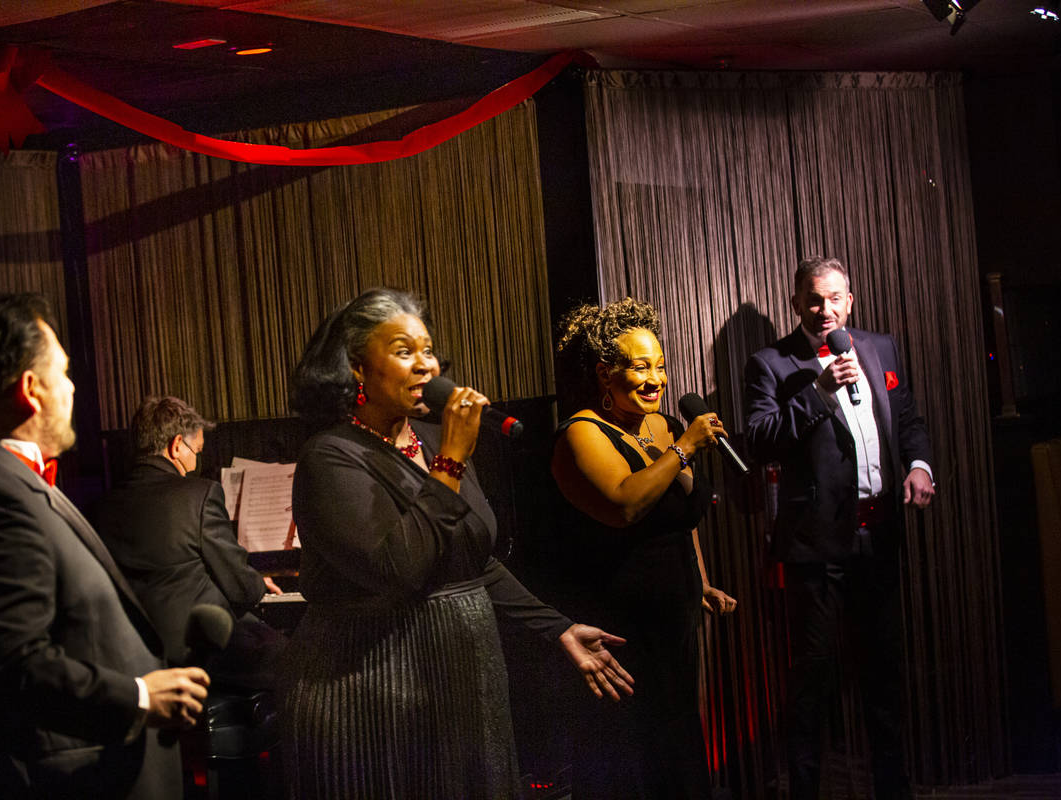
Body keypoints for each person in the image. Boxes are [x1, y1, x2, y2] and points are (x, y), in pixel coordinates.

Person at [280, 287, 633, 799]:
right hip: (375, 689)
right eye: (404, 351)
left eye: (428, 350)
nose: (425, 365)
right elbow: (398, 566)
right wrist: (449, 461)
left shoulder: (431, 441)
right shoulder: (331, 455)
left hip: (460, 679)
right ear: (358, 367)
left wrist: (558, 628)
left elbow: (472, 560)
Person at [0, 294, 210, 799]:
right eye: (64, 373)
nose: (72, 388)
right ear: (31, 389)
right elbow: (10, 665)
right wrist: (139, 696)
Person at [743, 256, 935, 800]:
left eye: (834, 298)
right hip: (817, 547)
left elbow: (909, 420)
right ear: (796, 302)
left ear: (849, 300)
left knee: (884, 678)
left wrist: (919, 464)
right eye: (812, 299)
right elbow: (758, 440)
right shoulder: (771, 363)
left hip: (879, 537)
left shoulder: (880, 347)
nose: (824, 310)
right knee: (812, 687)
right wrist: (820, 391)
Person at [550, 298, 737, 800]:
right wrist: (685, 450)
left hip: (673, 616)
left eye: (659, 365)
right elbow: (625, 505)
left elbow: (680, 520)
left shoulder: (663, 426)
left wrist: (700, 580)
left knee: (677, 742)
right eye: (640, 367)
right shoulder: (582, 433)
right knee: (634, 751)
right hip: (622, 622)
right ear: (605, 374)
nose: (655, 379)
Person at [95, 395, 286, 690]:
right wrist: (260, 584)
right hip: (197, 655)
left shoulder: (103, 506)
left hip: (130, 656)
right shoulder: (199, 495)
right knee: (290, 655)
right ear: (176, 446)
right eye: (196, 451)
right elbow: (242, 588)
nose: (196, 461)